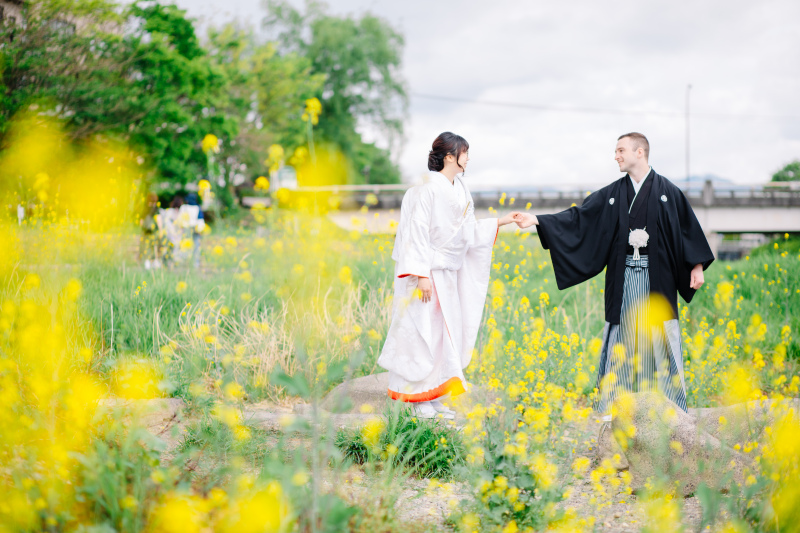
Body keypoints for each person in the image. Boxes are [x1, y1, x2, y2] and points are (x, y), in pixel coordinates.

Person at [514, 133, 714, 419]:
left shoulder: (667, 191)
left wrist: (696, 266)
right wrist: (538, 220)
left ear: (640, 152)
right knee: (620, 337)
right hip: (624, 278)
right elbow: (580, 217)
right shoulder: (611, 194)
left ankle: (669, 409)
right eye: (616, 151)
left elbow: (687, 230)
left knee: (660, 337)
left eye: (621, 150)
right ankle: (613, 409)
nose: (616, 156)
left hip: (657, 278)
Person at [377, 132, 519, 419]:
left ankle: (435, 393)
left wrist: (501, 222)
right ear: (450, 156)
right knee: (421, 333)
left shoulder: (460, 188)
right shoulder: (425, 189)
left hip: (448, 273)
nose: (467, 157)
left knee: (444, 334)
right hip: (427, 272)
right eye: (464, 152)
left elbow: (467, 232)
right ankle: (417, 400)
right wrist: (421, 274)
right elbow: (415, 232)